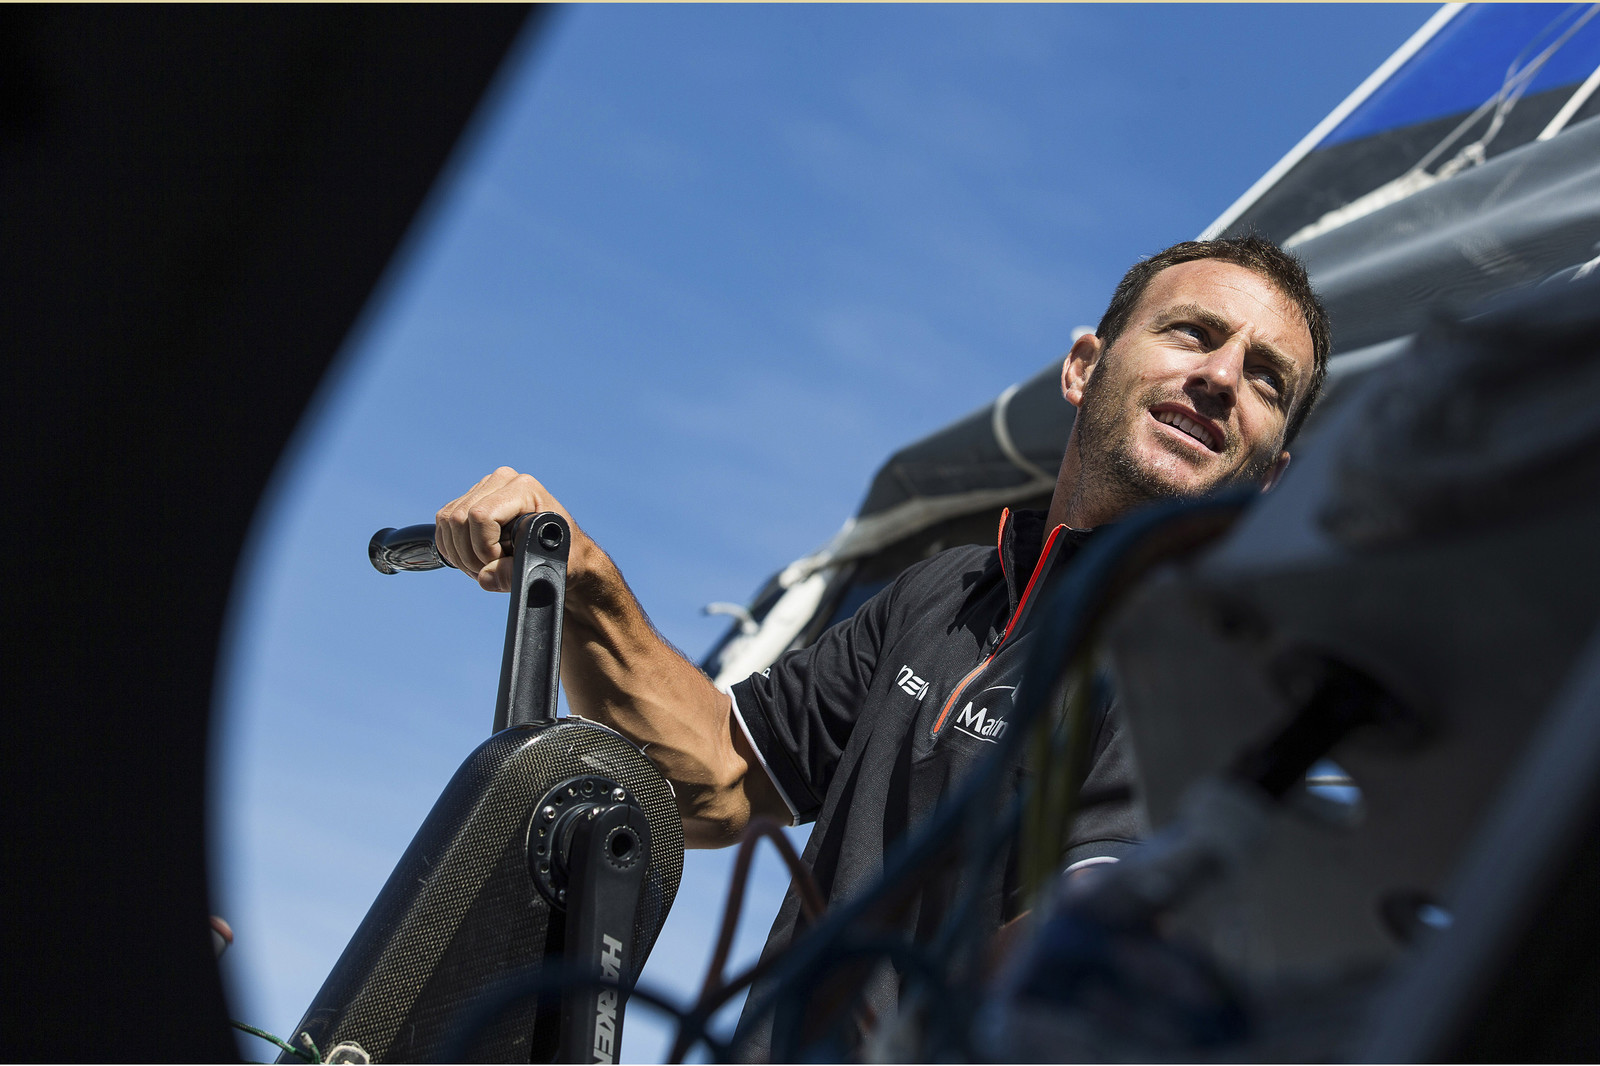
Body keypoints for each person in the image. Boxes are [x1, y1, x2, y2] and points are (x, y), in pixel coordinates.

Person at [433, 235, 1330, 1051]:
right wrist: (582, 580)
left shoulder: (1216, 672)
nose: (1221, 376)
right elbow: (719, 778)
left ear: (1272, 476)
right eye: (1191, 333)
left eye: (1266, 381)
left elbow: (1091, 961)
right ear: (1084, 368)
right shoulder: (942, 591)